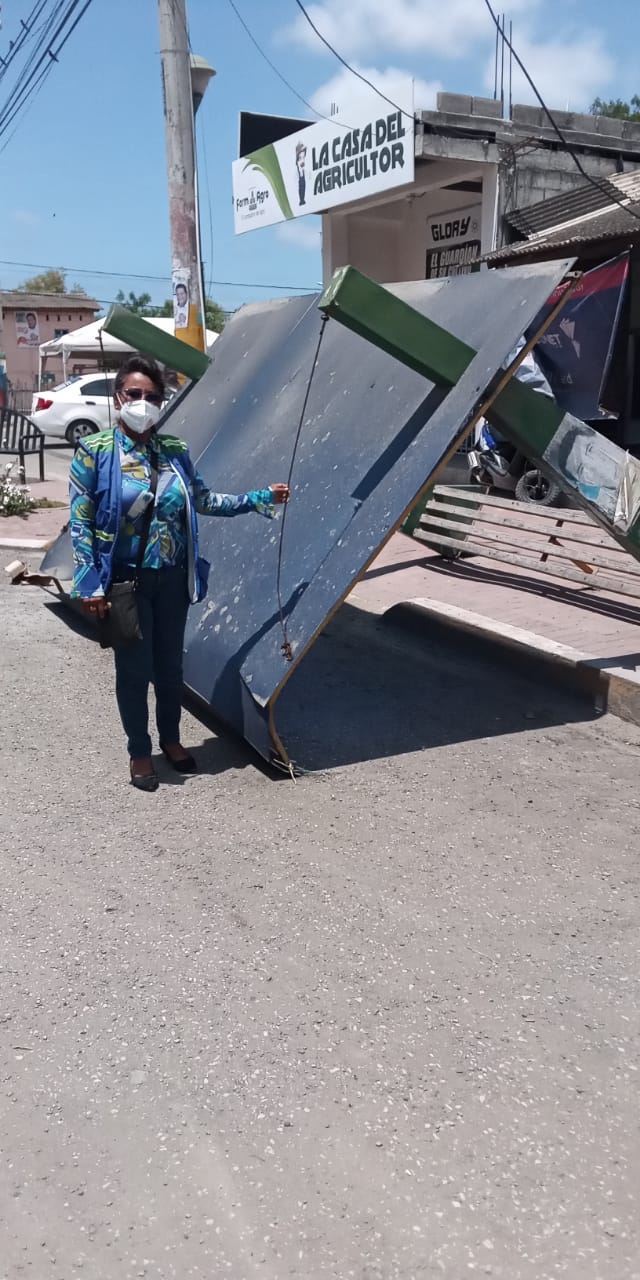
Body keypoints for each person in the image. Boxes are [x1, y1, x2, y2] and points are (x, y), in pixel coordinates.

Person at [69, 354, 289, 792]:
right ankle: (139, 750)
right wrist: (89, 584)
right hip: (125, 582)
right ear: (118, 397)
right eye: (134, 393)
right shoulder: (95, 451)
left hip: (172, 579)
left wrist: (259, 497)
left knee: (170, 667)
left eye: (152, 396)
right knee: (134, 669)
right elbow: (81, 521)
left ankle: (170, 738)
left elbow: (202, 500)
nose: (143, 402)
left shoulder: (174, 451)